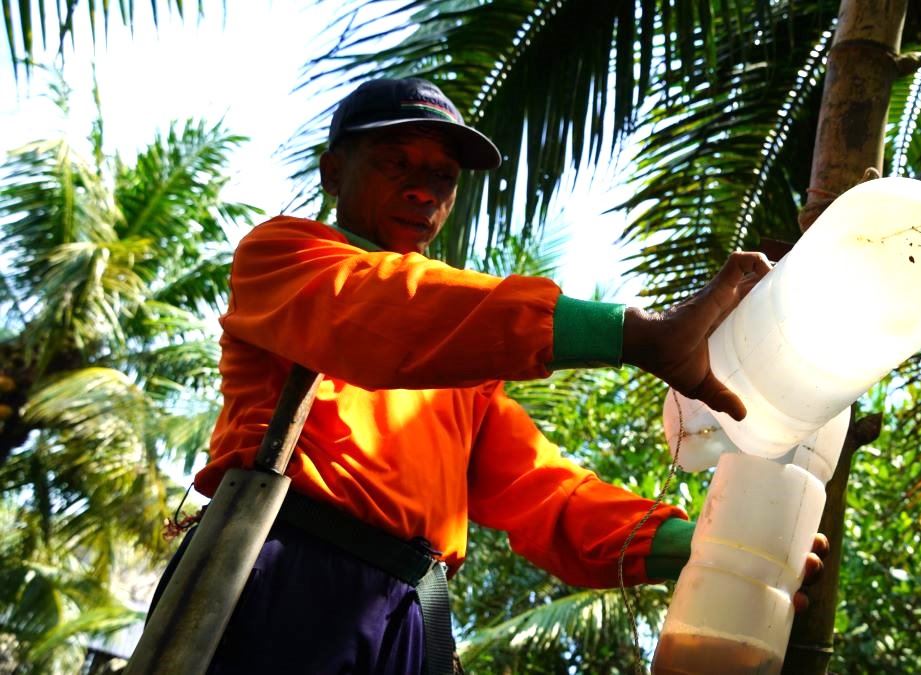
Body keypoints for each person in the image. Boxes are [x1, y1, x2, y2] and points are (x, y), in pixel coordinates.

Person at [155, 77, 825, 674]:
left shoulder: (461, 367)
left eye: (443, 177)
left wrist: (714, 547)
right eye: (395, 165)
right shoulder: (284, 257)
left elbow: (546, 495)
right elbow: (385, 313)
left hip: (412, 611)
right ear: (334, 172)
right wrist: (636, 334)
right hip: (286, 575)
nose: (423, 189)